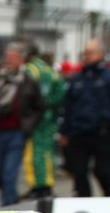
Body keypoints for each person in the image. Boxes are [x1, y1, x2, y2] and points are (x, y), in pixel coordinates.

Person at [0, 43, 44, 207]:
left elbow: (40, 106)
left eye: (14, 57)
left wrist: (29, 124)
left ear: (21, 60)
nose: (10, 61)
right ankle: (12, 198)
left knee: (9, 173)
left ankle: (7, 206)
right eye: (8, 57)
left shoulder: (28, 81)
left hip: (17, 132)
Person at [59, 39, 110, 198]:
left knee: (103, 171)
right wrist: (64, 132)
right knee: (79, 172)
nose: (86, 56)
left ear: (100, 54)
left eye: (90, 53)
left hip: (102, 132)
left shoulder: (107, 77)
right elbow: (68, 106)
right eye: (85, 53)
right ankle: (84, 202)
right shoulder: (77, 79)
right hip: (78, 133)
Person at [23, 45, 64, 200]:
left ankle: (39, 186)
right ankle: (47, 183)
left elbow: (25, 95)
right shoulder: (48, 69)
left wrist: (36, 109)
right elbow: (61, 89)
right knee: (48, 151)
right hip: (48, 116)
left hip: (35, 117)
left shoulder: (31, 69)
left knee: (35, 152)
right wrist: (50, 105)